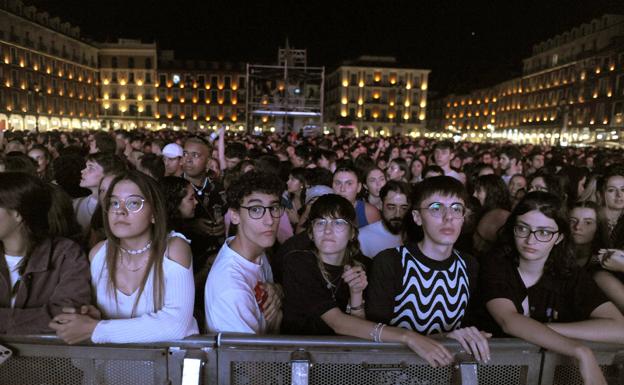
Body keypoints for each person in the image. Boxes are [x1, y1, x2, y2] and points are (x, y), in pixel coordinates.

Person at [281, 194, 456, 367]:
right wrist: (407, 337)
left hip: (342, 364)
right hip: (300, 361)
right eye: (320, 223)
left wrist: (356, 295)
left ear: (352, 232)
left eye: (338, 223)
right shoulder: (298, 263)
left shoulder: (364, 265)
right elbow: (337, 323)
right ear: (311, 232)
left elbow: (359, 331)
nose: (328, 230)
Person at [480, 191, 624, 385]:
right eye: (523, 229)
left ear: (559, 238)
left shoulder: (570, 274)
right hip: (495, 374)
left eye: (544, 232)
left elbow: (620, 329)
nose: (531, 240)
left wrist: (543, 330)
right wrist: (581, 351)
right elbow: (509, 321)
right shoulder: (496, 264)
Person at [51, 171, 198, 343]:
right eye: (113, 203)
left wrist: (95, 328)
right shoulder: (98, 254)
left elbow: (176, 325)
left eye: (133, 203)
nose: (120, 211)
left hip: (165, 365)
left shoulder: (174, 249)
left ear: (154, 213)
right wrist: (93, 315)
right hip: (113, 365)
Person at [366, 176, 491, 362]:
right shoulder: (391, 262)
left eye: (456, 208)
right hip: (395, 371)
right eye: (436, 208)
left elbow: (469, 329)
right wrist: (442, 339)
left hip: (448, 369)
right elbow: (376, 334)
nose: (448, 217)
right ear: (417, 217)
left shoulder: (469, 265)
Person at [0, 172, 91, 334]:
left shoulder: (65, 253)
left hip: (45, 357)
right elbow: (53, 316)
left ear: (17, 214)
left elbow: (67, 316)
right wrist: (41, 317)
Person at [204, 171, 285, 334]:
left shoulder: (255, 249)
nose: (269, 220)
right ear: (234, 215)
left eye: (274, 208)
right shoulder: (231, 288)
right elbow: (246, 358)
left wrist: (278, 289)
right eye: (256, 209)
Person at [74, 153, 127, 233]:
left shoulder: (120, 209)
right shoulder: (76, 204)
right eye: (86, 167)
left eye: (91, 168)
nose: (82, 171)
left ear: (110, 174)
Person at [358, 181, 411, 259]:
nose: (397, 214)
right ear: (380, 205)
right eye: (391, 207)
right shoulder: (362, 237)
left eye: (404, 208)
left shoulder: (418, 236)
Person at [472, 174, 512, 256]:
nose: (474, 195)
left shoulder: (499, 216)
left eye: (478, 191)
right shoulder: (503, 213)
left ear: (492, 192)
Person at [569, 201, 603, 269]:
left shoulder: (603, 263)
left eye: (588, 223)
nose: (577, 227)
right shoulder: (552, 254)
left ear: (598, 227)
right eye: (573, 221)